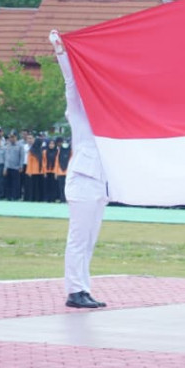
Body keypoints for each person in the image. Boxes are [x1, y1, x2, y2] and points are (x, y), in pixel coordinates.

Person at [51, 30, 110, 309]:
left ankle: (83, 288)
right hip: (83, 180)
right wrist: (62, 52)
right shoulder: (79, 113)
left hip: (101, 182)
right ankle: (74, 291)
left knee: (88, 241)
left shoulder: (107, 117)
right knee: (78, 238)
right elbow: (71, 83)